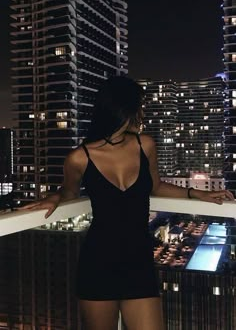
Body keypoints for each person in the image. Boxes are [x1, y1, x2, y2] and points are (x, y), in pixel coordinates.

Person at [19, 76, 234, 330]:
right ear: (124, 109)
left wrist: (197, 194)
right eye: (139, 105)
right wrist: (54, 196)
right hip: (97, 262)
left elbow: (156, 186)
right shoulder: (79, 157)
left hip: (138, 260)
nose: (142, 111)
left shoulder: (146, 145)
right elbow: (69, 192)